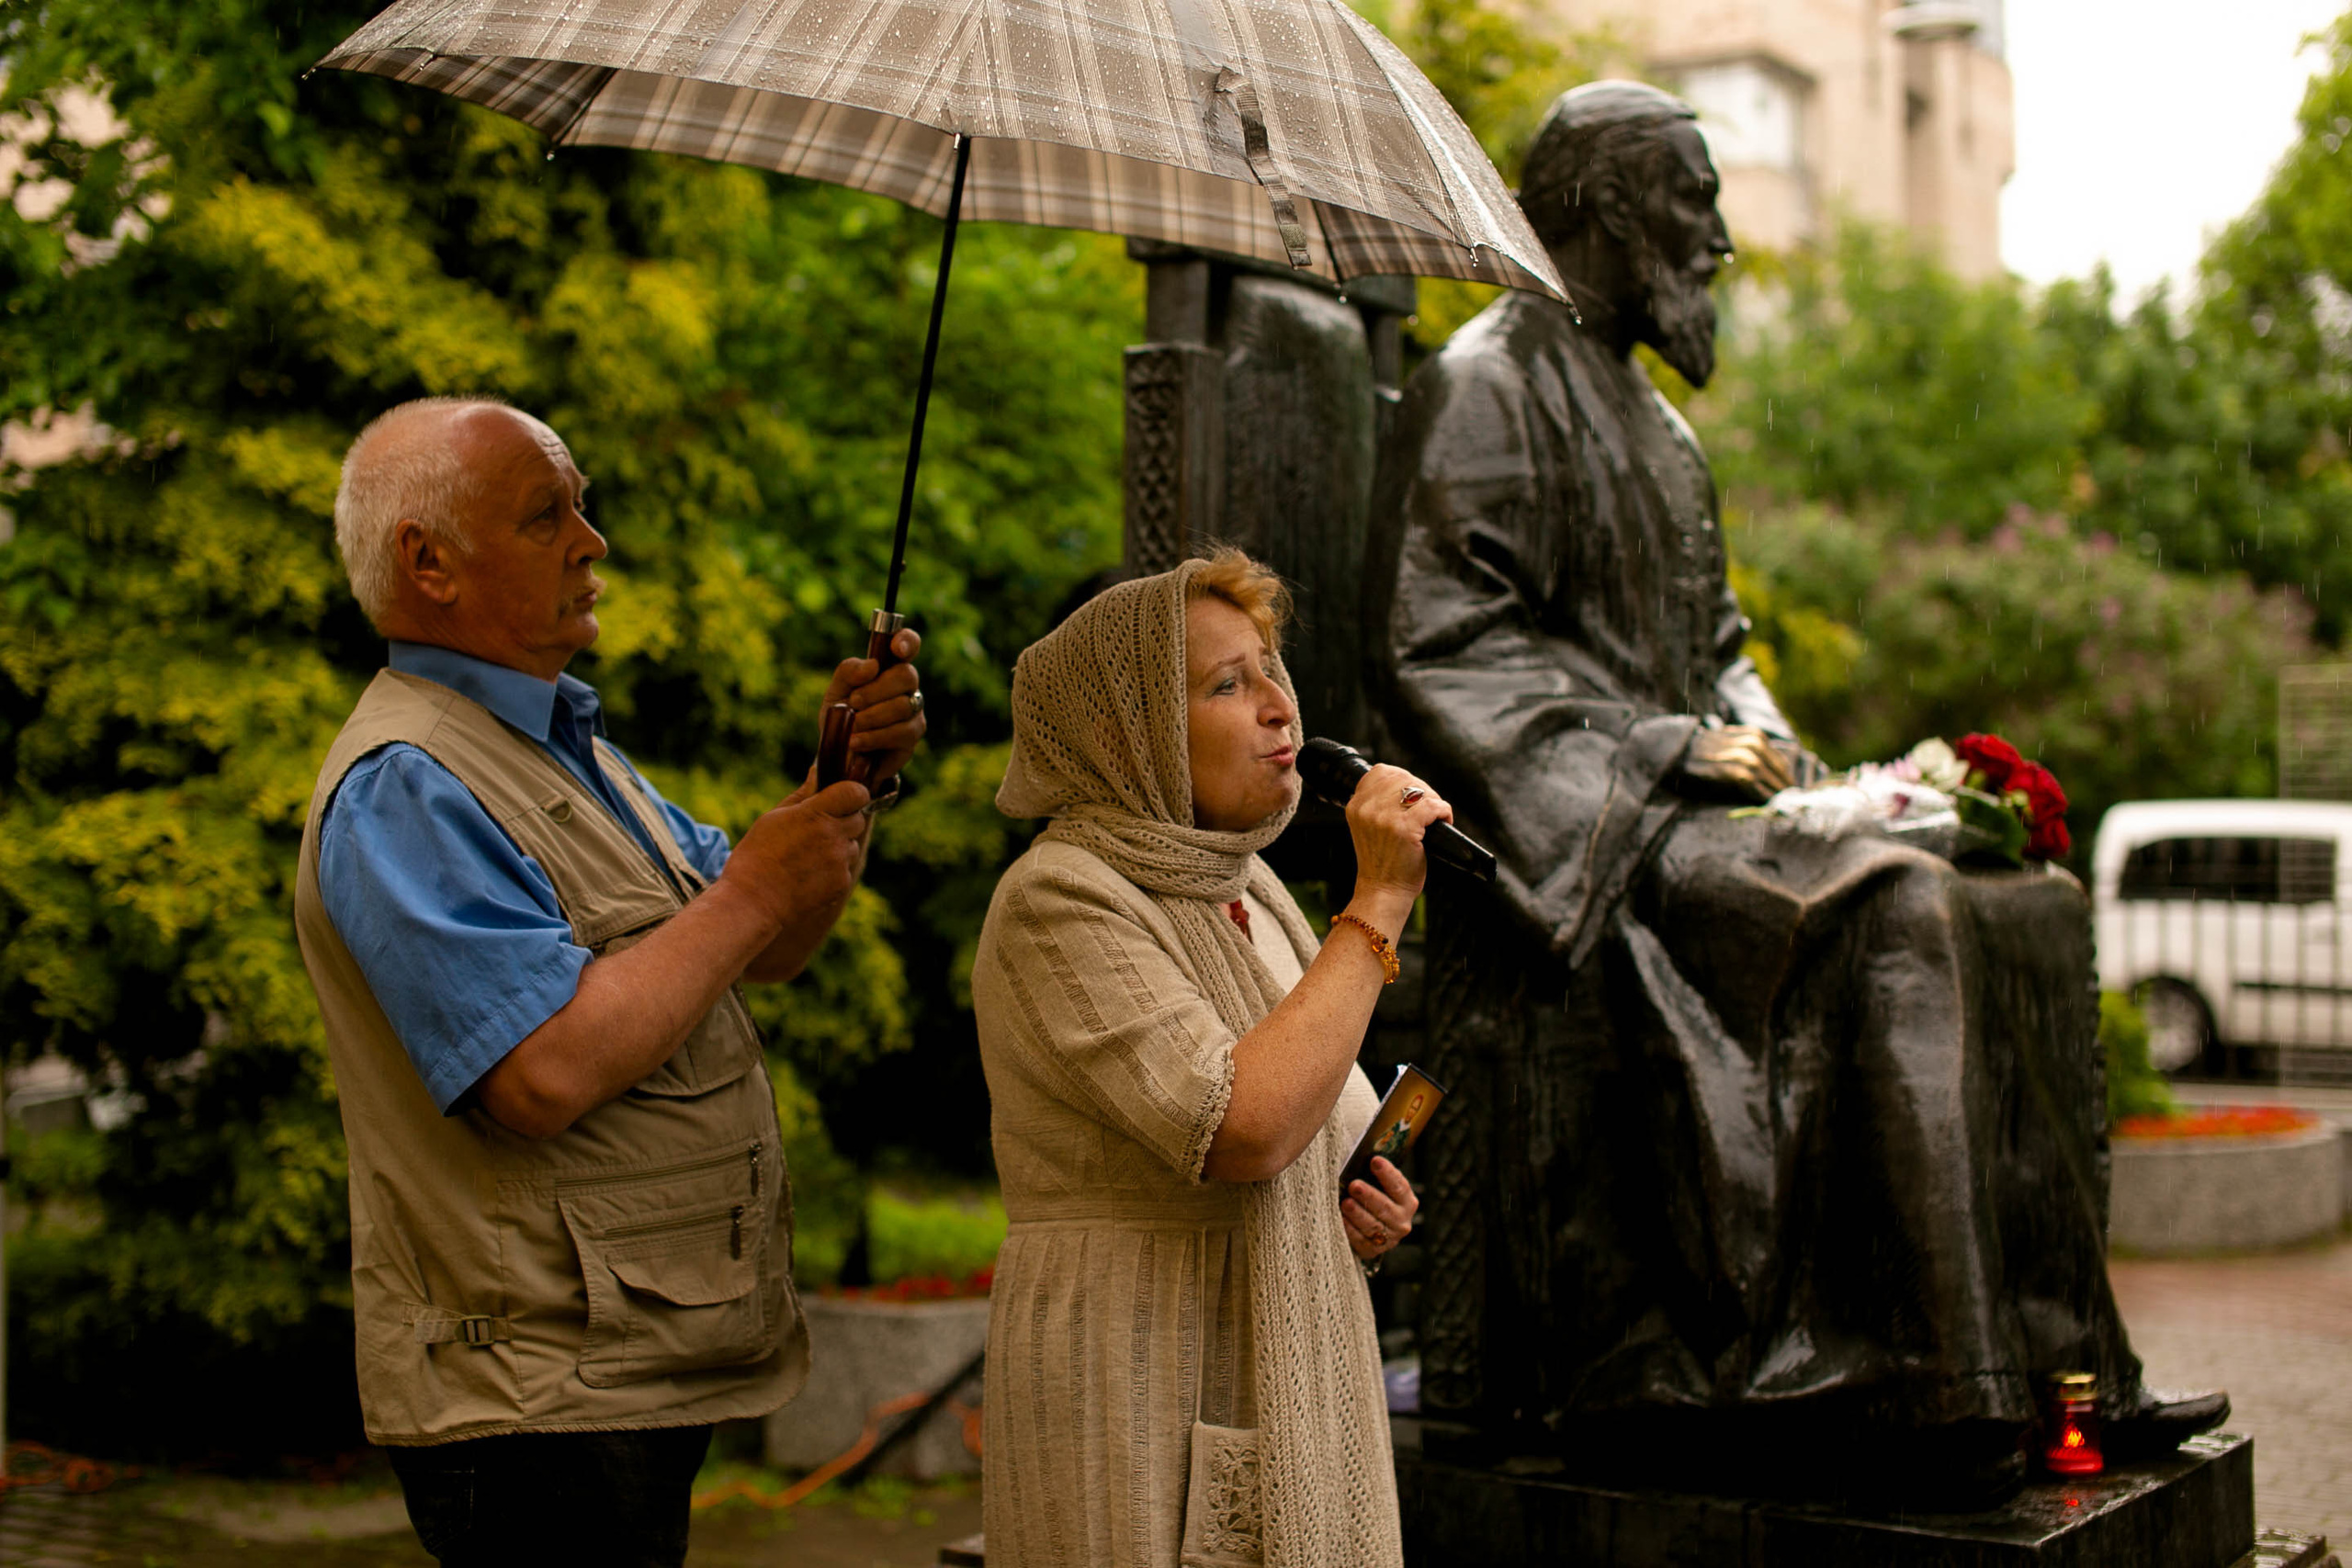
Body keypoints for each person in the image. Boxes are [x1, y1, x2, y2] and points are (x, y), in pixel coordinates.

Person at [1368, 81, 2228, 1501]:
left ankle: (2064, 1367)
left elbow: (1723, 656)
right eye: (1693, 199)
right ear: (1600, 207)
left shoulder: (1662, 430)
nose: (1720, 241)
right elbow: (1429, 646)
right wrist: (1661, 751)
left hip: (1698, 821)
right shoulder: (1483, 384)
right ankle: (1933, 1379)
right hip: (1596, 843)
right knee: (1898, 913)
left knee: (2011, 891)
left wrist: (1812, 778)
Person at [290, 397, 924, 1567]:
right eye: (548, 517)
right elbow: (538, 1073)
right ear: (427, 563)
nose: (595, 543)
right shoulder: (408, 785)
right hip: (529, 1407)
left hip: (607, 1375)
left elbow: (765, 946)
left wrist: (840, 786)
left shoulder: (566, 751)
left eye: (581, 507)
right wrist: (753, 890)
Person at [970, 552, 1430, 1568]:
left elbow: (1315, 1119)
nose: (1279, 708)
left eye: (1272, 669)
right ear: (1120, 731)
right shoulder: (1063, 898)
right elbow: (1243, 1124)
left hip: (1284, 1357)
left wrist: (1361, 1214)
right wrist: (1378, 906)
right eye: (1227, 683)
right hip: (1139, 1368)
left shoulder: (1250, 887)